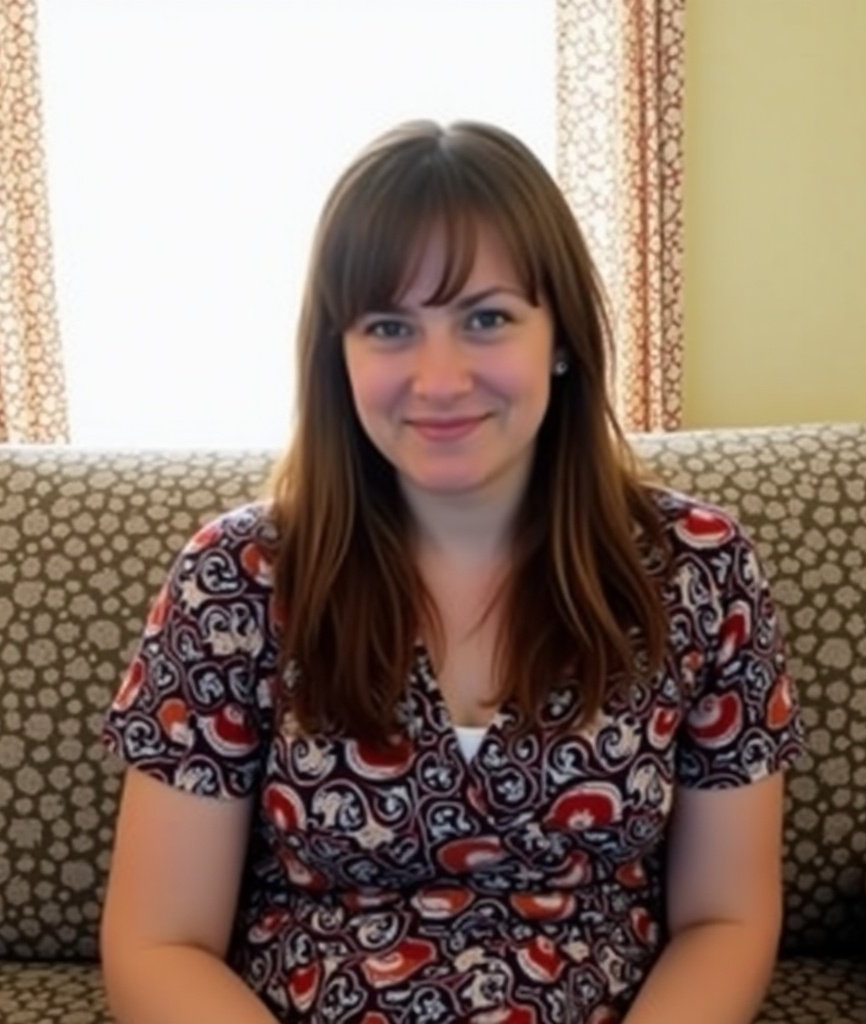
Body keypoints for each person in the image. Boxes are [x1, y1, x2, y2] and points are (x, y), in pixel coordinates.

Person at [100, 119, 805, 1024]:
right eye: (390, 326)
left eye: (486, 318)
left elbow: (726, 915)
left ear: (562, 338)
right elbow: (159, 942)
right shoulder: (234, 579)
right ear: (337, 356)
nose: (438, 379)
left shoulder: (701, 571)